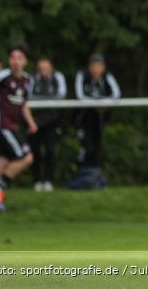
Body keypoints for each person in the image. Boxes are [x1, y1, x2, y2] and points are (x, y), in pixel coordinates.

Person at [0, 44, 38, 230]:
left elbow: (23, 104)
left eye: (19, 57)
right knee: (26, 157)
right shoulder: (3, 76)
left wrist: (31, 122)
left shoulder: (28, 80)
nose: (16, 61)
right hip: (2, 127)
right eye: (12, 57)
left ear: (25, 61)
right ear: (9, 60)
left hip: (14, 127)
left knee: (2, 166)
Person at [69, 53, 120, 189]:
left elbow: (116, 94)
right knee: (85, 149)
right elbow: (80, 96)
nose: (97, 68)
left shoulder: (107, 77)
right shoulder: (82, 76)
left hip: (99, 118)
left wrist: (100, 102)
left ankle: (93, 180)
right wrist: (98, 101)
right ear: (90, 66)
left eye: (100, 65)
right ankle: (81, 179)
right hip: (83, 119)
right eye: (94, 65)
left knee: (96, 149)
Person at [29, 57, 67, 191]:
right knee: (35, 150)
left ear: (51, 67)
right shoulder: (33, 79)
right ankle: (37, 181)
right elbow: (29, 96)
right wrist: (48, 97)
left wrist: (43, 98)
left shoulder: (58, 77)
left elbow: (61, 95)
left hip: (53, 119)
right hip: (36, 119)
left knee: (50, 150)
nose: (44, 71)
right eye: (41, 68)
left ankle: (49, 181)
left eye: (46, 68)